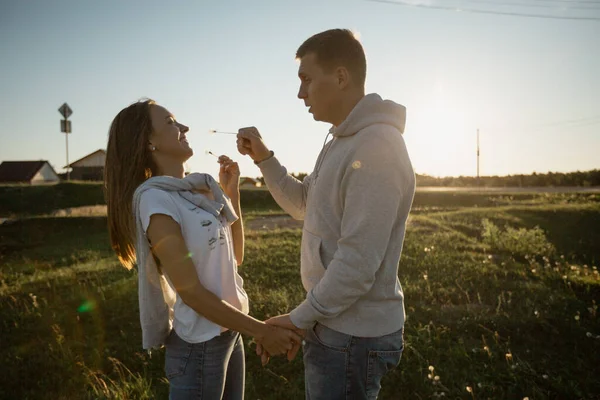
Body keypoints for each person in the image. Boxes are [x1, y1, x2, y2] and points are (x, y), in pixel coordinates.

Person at [236, 29, 415, 399]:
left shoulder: (377, 145)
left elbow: (357, 264)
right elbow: (304, 204)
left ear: (340, 77)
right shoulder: (340, 139)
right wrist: (264, 159)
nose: (300, 93)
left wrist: (298, 318)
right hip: (334, 324)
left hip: (352, 335)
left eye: (306, 79)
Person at [104, 99, 301, 400]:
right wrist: (261, 331)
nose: (184, 127)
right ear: (148, 142)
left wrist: (231, 192)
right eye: (170, 122)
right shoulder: (156, 201)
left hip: (229, 333)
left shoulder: (196, 191)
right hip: (199, 346)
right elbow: (191, 291)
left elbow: (236, 257)